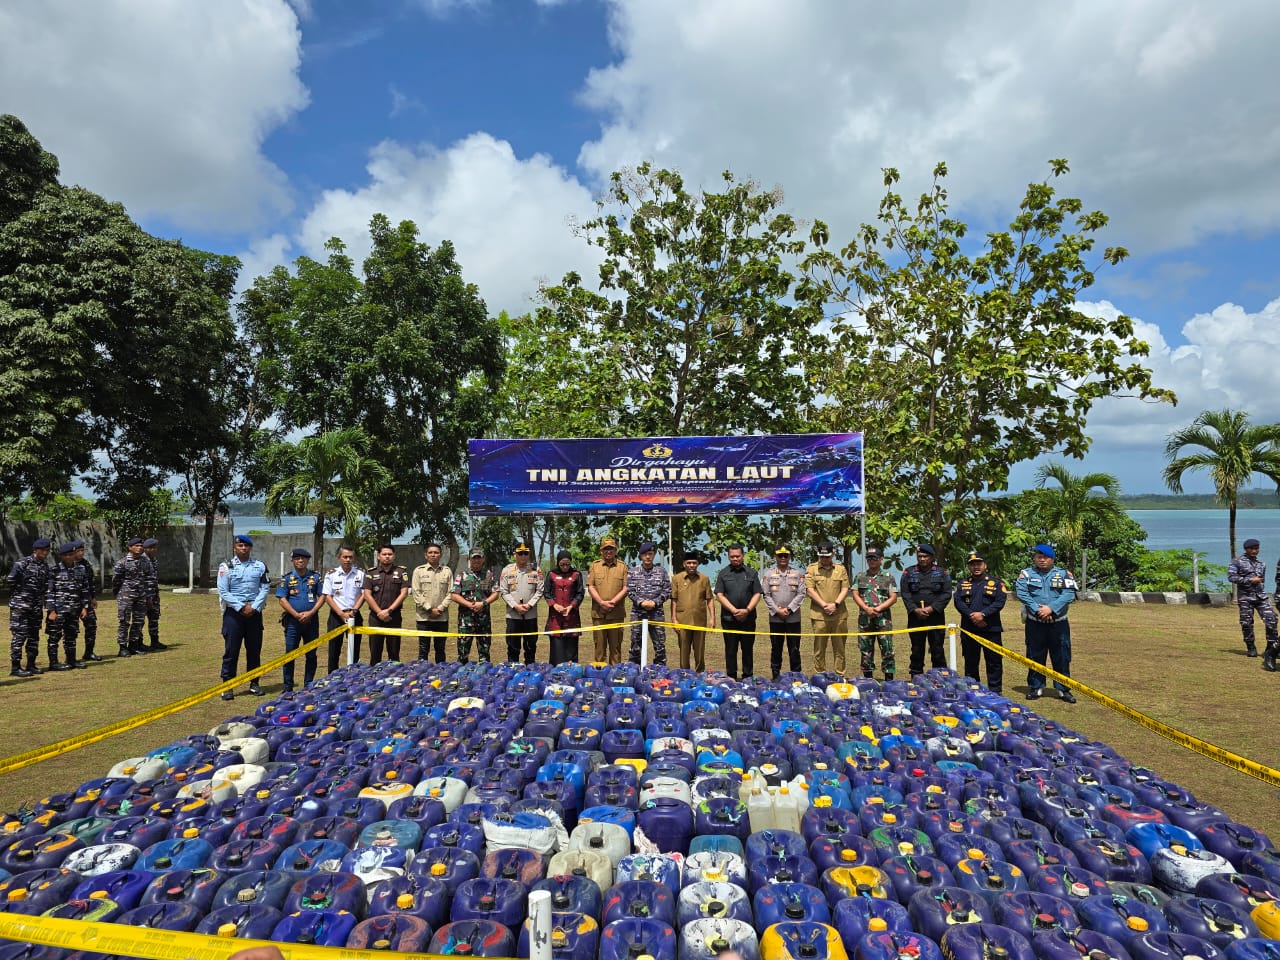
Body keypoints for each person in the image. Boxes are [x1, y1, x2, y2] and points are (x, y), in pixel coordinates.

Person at [1015, 544, 1077, 702]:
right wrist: (1038, 610)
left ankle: (1063, 689)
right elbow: (1022, 593)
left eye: (1045, 557)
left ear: (1052, 559)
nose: (1042, 560)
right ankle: (1036, 687)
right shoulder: (1026, 574)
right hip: (1035, 623)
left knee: (1062, 656)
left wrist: (1050, 609)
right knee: (1035, 654)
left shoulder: (1063, 574)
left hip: (1058, 622)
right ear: (1035, 558)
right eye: (1039, 557)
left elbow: (1069, 594)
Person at [216, 534, 269, 700]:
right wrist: (241, 607)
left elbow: (265, 588)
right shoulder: (226, 566)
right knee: (232, 650)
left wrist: (253, 607)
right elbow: (223, 591)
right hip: (234, 613)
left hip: (254, 612)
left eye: (246, 546)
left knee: (254, 649)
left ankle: (254, 683)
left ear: (250, 548)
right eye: (240, 546)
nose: (243, 548)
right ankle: (228, 685)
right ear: (235, 548)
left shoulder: (260, 566)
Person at [953, 551, 1007, 693]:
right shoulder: (962, 583)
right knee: (970, 661)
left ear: (985, 565)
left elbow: (999, 602)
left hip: (991, 629)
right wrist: (972, 615)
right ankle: (973, 689)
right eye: (972, 565)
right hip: (969, 629)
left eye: (979, 564)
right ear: (969, 567)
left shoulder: (996, 583)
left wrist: (983, 615)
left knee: (994, 662)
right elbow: (958, 602)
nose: (976, 567)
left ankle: (995, 691)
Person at [900, 543, 952, 676]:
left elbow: (946, 593)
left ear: (932, 557)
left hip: (935, 617)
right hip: (915, 617)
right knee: (917, 649)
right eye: (920, 556)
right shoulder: (908, 572)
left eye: (925, 556)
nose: (922, 559)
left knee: (937, 649)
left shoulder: (942, 572)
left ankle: (940, 677)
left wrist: (932, 608)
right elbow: (905, 594)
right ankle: (916, 676)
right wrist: (915, 610)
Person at [276, 547, 323, 692]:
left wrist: (311, 612)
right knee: (290, 653)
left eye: (303, 558)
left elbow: (323, 596)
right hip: (292, 622)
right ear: (292, 561)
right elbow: (282, 599)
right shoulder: (287, 579)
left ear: (308, 560)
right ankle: (288, 685)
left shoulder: (315, 577)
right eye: (297, 558)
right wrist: (296, 615)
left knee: (311, 654)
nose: (300, 561)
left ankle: (309, 684)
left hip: (311, 621)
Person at [715, 545, 763, 679]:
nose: (735, 558)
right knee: (730, 650)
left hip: (748, 619)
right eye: (732, 556)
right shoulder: (723, 573)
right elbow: (719, 595)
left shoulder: (752, 573)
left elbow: (757, 593)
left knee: (747, 650)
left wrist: (747, 610)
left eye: (737, 556)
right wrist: (734, 611)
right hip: (729, 619)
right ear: (728, 557)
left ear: (743, 556)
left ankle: (747, 677)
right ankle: (731, 677)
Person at [6, 537, 51, 677]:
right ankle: (15, 667)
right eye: (43, 550)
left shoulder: (44, 566)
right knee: (19, 636)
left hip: (35, 607)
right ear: (35, 550)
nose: (45, 553)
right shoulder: (22, 563)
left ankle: (31, 664)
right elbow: (10, 581)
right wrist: (20, 595)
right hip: (21, 607)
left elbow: (45, 587)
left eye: (47, 550)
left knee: (34, 637)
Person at [851, 547, 897, 681]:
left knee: (887, 648)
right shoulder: (860, 576)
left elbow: (893, 597)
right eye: (869, 558)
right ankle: (868, 679)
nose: (872, 561)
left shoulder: (888, 577)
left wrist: (878, 609)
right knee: (865, 649)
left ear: (881, 559)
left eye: (875, 558)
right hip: (865, 619)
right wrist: (866, 608)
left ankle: (889, 679)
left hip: (883, 619)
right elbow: (855, 593)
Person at [1228, 538, 1277, 664]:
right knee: (1246, 622)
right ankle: (1251, 647)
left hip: (1261, 597)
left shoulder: (1261, 564)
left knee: (1272, 618)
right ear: (1246, 549)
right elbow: (1232, 577)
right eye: (1252, 548)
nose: (1255, 551)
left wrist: (1258, 583)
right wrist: (1249, 580)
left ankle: (1271, 648)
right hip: (1245, 597)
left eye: (1257, 548)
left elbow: (1262, 580)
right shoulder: (1237, 561)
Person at [805, 541, 850, 675]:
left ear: (833, 554)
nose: (824, 559)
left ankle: (840, 675)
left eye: (827, 556)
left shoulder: (840, 569)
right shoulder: (811, 569)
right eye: (822, 556)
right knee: (819, 649)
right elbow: (810, 590)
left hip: (839, 615)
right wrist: (824, 605)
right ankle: (820, 675)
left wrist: (835, 604)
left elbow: (845, 588)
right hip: (819, 616)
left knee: (840, 648)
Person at [762, 545, 805, 680]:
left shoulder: (797, 574)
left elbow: (802, 593)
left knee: (794, 648)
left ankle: (796, 676)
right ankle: (775, 675)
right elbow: (766, 595)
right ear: (775, 557)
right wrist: (777, 610)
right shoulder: (768, 575)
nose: (783, 558)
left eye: (785, 555)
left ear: (789, 557)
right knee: (776, 647)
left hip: (793, 618)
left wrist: (789, 609)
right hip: (776, 618)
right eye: (780, 555)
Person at [321, 545, 366, 672]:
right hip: (336, 615)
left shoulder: (360, 574)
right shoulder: (331, 575)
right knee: (334, 649)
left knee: (355, 648)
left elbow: (364, 594)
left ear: (354, 558)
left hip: (355, 614)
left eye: (350, 557)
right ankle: (332, 677)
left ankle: (353, 676)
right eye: (345, 557)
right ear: (339, 558)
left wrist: (354, 611)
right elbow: (328, 596)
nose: (348, 560)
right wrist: (341, 614)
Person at [44, 542, 88, 671]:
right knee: (54, 636)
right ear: (61, 556)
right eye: (65, 555)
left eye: (71, 554)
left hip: (74, 609)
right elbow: (49, 592)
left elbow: (84, 589)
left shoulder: (81, 569)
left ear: (75, 554)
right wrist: (51, 610)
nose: (68, 557)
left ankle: (71, 660)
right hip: (58, 610)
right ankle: (54, 663)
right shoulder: (53, 570)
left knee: (71, 635)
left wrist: (84, 607)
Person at [362, 545, 409, 664]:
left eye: (390, 554)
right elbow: (367, 594)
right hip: (375, 617)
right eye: (384, 554)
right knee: (375, 651)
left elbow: (404, 593)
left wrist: (389, 611)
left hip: (394, 616)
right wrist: (379, 612)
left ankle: (394, 677)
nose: (387, 557)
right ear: (379, 556)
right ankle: (374, 677)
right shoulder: (371, 573)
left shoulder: (401, 572)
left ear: (394, 556)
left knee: (394, 652)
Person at [451, 547, 498, 662]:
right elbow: (454, 595)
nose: (476, 560)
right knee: (462, 653)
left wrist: (484, 603)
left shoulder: (489, 575)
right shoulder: (461, 575)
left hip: (483, 620)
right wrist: (469, 604)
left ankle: (484, 676)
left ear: (483, 559)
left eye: (479, 558)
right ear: (469, 559)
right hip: (465, 620)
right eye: (474, 558)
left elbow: (495, 593)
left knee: (484, 653)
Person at [627, 541, 671, 665]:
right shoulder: (633, 572)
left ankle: (659, 670)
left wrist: (655, 603)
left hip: (656, 614)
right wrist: (641, 603)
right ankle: (633, 670)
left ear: (654, 555)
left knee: (660, 645)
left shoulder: (661, 571)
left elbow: (667, 591)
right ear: (641, 556)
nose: (648, 557)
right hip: (638, 613)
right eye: (645, 554)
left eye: (650, 554)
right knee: (635, 643)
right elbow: (630, 591)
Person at [500, 541, 543, 664]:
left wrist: (529, 605)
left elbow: (540, 590)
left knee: (530, 646)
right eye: (520, 553)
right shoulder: (507, 570)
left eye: (526, 553)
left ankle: (530, 670)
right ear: (515, 554)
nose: (523, 556)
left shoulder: (536, 570)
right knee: (513, 646)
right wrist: (515, 606)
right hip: (513, 615)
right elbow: (503, 591)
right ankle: (513, 671)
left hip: (530, 615)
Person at [671, 551, 714, 672]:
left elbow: (709, 599)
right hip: (682, 620)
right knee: (684, 650)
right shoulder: (676, 579)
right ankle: (684, 674)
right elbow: (674, 600)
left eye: (694, 563)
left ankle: (699, 673)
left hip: (699, 620)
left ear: (697, 564)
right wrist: (674, 619)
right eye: (689, 563)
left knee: (699, 650)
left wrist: (712, 618)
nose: (691, 565)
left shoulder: (704, 579)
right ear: (684, 564)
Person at [587, 536, 628, 664]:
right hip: (599, 613)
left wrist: (613, 602)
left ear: (615, 550)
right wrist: (601, 602)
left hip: (616, 614)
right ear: (601, 551)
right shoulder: (595, 566)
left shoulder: (622, 567)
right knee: (599, 648)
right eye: (606, 549)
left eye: (611, 549)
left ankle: (615, 676)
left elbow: (626, 588)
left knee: (616, 648)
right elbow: (591, 586)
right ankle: (600, 675)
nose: (608, 551)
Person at [411, 543, 453, 663]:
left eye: (436, 552)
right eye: (430, 552)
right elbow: (416, 592)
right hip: (424, 618)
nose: (433, 555)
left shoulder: (447, 571)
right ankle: (422, 673)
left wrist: (439, 609)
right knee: (423, 649)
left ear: (440, 555)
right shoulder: (418, 571)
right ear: (426, 555)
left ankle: (441, 673)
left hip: (441, 617)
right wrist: (429, 609)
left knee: (440, 649)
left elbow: (451, 593)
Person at [544, 550, 585, 664]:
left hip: (572, 616)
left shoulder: (576, 574)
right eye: (562, 564)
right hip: (555, 617)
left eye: (568, 564)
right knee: (557, 648)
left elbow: (580, 593)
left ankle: (571, 673)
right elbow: (546, 592)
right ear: (558, 563)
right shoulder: (551, 574)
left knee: (571, 649)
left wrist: (572, 606)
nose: (565, 567)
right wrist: (554, 604)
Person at [113, 537, 151, 658]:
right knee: (124, 621)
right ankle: (123, 647)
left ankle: (133, 645)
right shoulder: (122, 562)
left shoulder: (145, 561)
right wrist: (120, 594)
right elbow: (116, 580)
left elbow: (148, 578)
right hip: (126, 596)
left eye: (141, 545)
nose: (139, 547)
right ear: (130, 547)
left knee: (138, 621)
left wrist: (149, 596)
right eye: (136, 545)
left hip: (141, 595)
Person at [71, 541, 102, 662]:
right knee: (71, 629)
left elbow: (90, 583)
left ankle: (89, 652)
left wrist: (93, 597)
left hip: (86, 601)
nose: (81, 553)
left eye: (82, 550)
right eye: (78, 551)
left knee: (91, 625)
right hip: (71, 602)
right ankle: (70, 657)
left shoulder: (86, 565)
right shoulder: (66, 564)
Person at [141, 537, 167, 651]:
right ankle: (139, 643)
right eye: (153, 548)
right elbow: (140, 580)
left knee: (154, 618)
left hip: (154, 594)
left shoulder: (154, 560)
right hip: (144, 596)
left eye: (155, 548)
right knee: (140, 620)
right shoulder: (141, 560)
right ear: (147, 549)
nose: (155, 550)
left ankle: (154, 641)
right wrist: (147, 596)